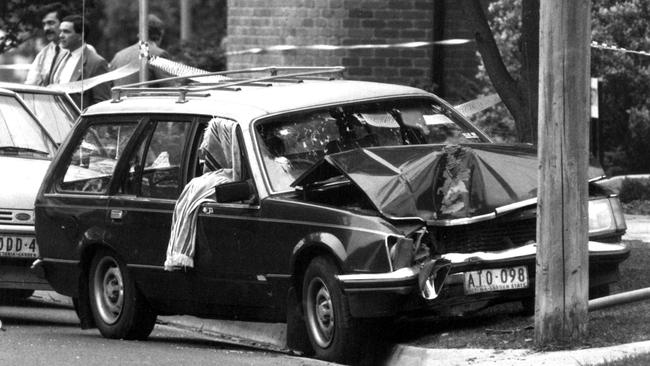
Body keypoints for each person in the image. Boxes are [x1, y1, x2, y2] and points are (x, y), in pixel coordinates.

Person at [51, 14, 111, 109]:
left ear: (81, 35)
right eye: (60, 31)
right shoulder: (58, 58)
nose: (61, 35)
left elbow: (102, 105)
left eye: (66, 32)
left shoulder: (97, 63)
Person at [109, 14, 170, 86]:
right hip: (145, 97)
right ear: (160, 35)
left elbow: (109, 86)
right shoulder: (158, 54)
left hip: (119, 97)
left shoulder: (118, 56)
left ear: (139, 34)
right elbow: (171, 89)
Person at [24, 3, 68, 86]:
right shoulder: (43, 54)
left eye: (51, 23)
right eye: (44, 24)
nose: (46, 28)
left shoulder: (79, 50)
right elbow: (31, 84)